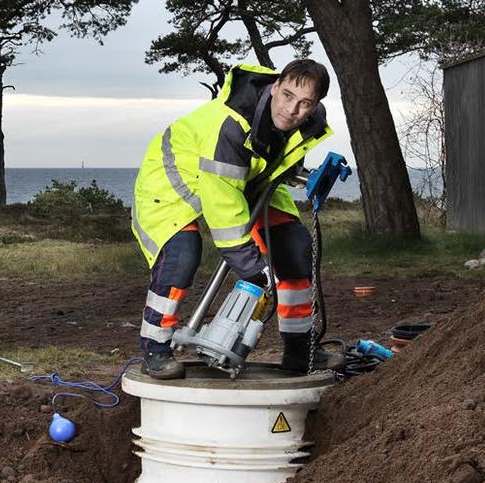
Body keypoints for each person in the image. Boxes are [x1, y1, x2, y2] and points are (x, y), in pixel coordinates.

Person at [131, 59, 346, 380]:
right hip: (171, 180)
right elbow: (224, 211)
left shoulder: (306, 124)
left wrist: (309, 177)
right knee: (182, 253)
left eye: (304, 104)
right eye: (287, 96)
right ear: (275, 86)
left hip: (244, 181)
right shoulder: (231, 126)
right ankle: (156, 347)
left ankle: (301, 351)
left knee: (294, 249)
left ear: (315, 105)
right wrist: (254, 269)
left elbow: (274, 162)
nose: (292, 110)